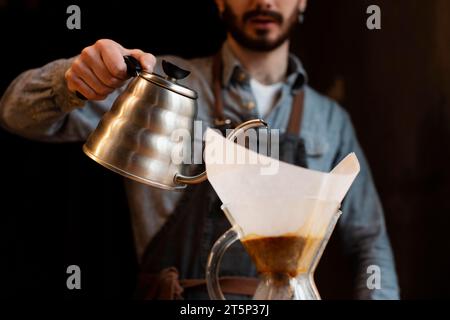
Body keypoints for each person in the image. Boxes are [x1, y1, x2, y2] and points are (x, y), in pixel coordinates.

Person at [0, 0, 400, 299]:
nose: (265, 2)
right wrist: (73, 79)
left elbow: (369, 240)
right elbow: (16, 115)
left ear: (303, 3)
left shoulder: (330, 120)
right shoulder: (156, 82)